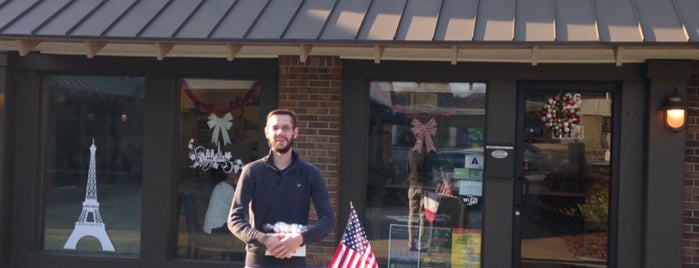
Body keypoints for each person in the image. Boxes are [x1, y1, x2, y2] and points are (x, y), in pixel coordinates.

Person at [228, 109, 336, 267]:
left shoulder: (311, 174)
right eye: (275, 127)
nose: (280, 132)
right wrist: (265, 240)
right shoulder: (252, 171)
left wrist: (300, 239)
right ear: (266, 132)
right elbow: (234, 219)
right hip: (258, 263)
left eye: (286, 128)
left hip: (295, 262)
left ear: (295, 132)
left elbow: (328, 220)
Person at [203, 170, 239, 234]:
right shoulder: (226, 188)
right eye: (233, 170)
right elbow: (239, 206)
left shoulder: (222, 186)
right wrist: (239, 186)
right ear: (226, 172)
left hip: (215, 226)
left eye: (237, 170)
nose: (236, 172)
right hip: (216, 227)